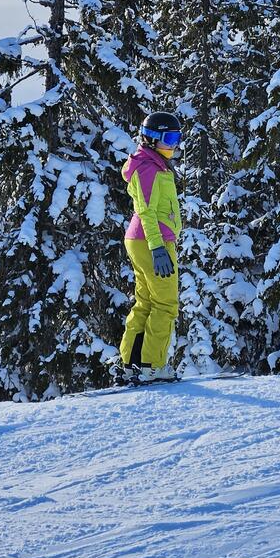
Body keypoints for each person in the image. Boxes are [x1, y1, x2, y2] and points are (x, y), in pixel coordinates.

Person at [118, 111, 183, 381]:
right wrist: (157, 248)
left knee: (146, 302)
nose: (174, 145)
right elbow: (145, 210)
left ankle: (131, 364)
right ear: (152, 139)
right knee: (165, 304)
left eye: (177, 138)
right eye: (169, 138)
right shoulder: (149, 168)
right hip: (151, 241)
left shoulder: (151, 163)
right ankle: (152, 366)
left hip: (141, 239)